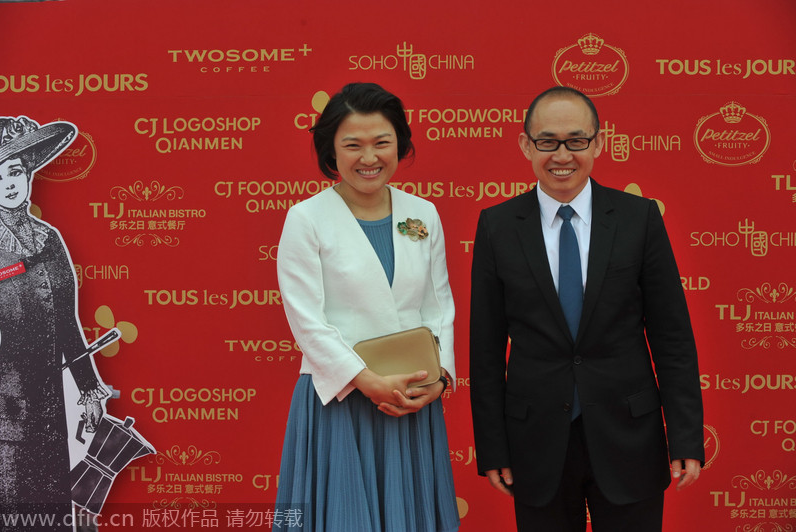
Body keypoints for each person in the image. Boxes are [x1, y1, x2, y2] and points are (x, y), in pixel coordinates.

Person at [469, 86, 704, 532]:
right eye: (547, 141)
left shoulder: (639, 218)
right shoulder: (497, 226)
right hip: (535, 441)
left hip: (629, 435)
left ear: (598, 143)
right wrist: (493, 447)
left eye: (576, 140)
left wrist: (686, 436)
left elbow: (672, 338)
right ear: (526, 145)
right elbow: (485, 351)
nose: (562, 155)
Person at [275, 82, 459, 532]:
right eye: (353, 145)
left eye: (382, 142)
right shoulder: (307, 218)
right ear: (331, 151)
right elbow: (307, 321)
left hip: (411, 397)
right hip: (341, 400)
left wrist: (439, 380)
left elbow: (438, 306)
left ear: (401, 144)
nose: (369, 157)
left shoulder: (423, 214)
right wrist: (367, 381)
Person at [0, 116, 108, 530]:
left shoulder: (49, 239)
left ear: (28, 173)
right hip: (3, 404)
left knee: (50, 514)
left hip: (48, 403)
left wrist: (88, 389)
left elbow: (67, 323)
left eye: (15, 171)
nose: (9, 184)